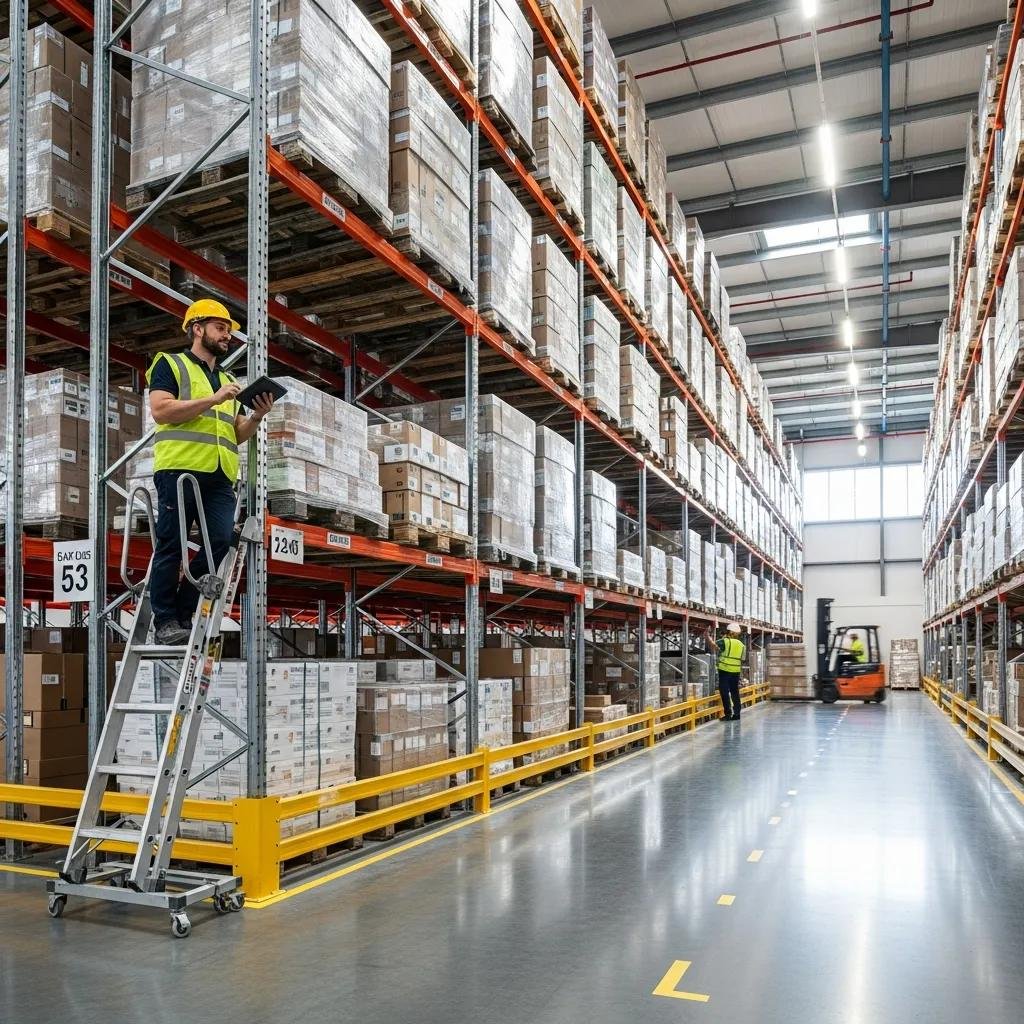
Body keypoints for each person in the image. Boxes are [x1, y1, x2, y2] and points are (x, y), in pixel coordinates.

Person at [146, 299, 276, 645]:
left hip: (219, 476)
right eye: (220, 328)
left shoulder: (227, 380)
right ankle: (165, 620)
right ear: (197, 329)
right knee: (172, 545)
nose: (227, 335)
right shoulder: (170, 364)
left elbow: (236, 432)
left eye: (229, 331)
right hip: (179, 470)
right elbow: (161, 410)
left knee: (220, 541)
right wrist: (214, 399)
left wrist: (257, 416)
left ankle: (184, 609)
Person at [717, 622, 746, 722]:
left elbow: (714, 645)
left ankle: (728, 714)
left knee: (724, 692)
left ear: (729, 632)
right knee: (735, 692)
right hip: (736, 671)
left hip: (725, 670)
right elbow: (743, 658)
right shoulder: (742, 645)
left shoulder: (725, 641)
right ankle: (737, 714)